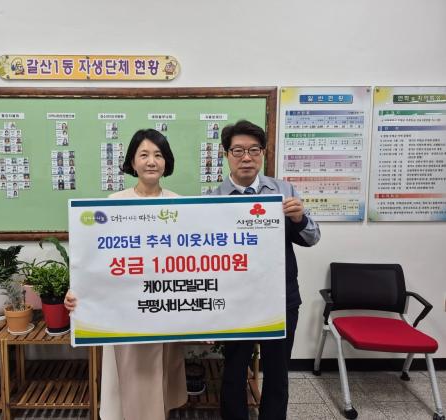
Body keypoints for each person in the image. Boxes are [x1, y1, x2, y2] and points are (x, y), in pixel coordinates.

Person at [64, 129, 187, 420]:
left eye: (158, 155)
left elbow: (189, 259)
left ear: (166, 162)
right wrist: (78, 291)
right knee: (126, 375)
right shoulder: (113, 202)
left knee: (161, 376)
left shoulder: (179, 203)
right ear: (132, 162)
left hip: (164, 306)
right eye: (144, 155)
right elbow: (97, 258)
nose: (151, 161)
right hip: (123, 308)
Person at [213, 120, 320, 420]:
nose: (246, 157)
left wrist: (299, 219)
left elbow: (312, 238)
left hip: (280, 299)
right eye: (238, 151)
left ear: (262, 153)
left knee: (277, 372)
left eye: (253, 150)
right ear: (226, 154)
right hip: (236, 301)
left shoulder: (283, 191)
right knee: (234, 371)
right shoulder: (213, 199)